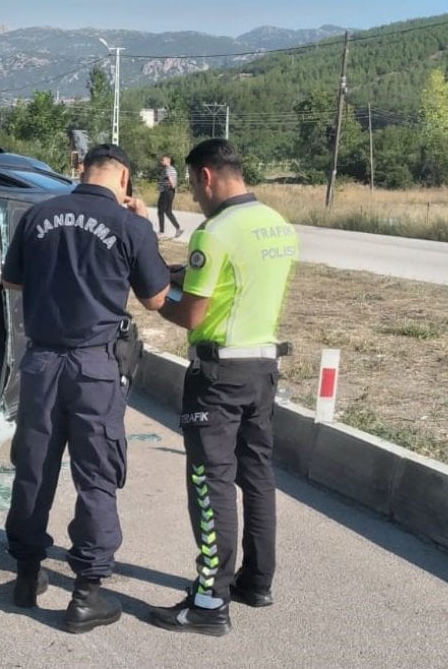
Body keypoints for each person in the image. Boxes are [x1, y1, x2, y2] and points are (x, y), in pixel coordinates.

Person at [1, 143, 170, 634]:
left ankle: (27, 576)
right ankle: (86, 595)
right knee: (96, 476)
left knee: (34, 468)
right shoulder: (129, 225)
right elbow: (156, 298)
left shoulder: (38, 216)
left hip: (42, 362)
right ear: (123, 179)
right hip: (94, 368)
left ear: (83, 171)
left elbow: (12, 282)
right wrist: (141, 227)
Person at [150, 138, 298, 636]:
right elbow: (241, 284)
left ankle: (210, 602)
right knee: (256, 476)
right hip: (262, 370)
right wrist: (184, 273)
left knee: (210, 483)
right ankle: (256, 582)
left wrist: (154, 299)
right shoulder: (277, 225)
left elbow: (192, 312)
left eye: (193, 185)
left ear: (206, 176)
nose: (194, 195)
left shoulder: (213, 233)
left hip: (217, 377)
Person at [157, 155, 183, 238]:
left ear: (168, 161)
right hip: (171, 192)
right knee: (168, 211)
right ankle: (178, 229)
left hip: (166, 192)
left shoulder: (168, 169)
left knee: (160, 211)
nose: (161, 162)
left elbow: (172, 182)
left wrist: (170, 185)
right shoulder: (173, 169)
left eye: (163, 160)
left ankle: (161, 231)